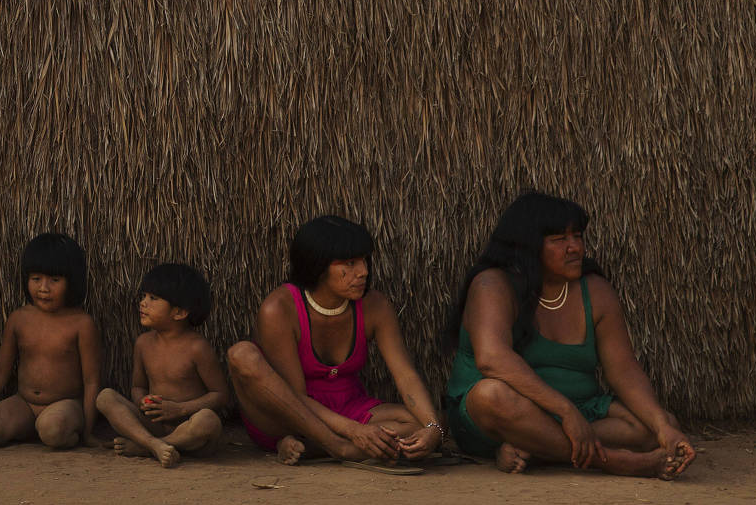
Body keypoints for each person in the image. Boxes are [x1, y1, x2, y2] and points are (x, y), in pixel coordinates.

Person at [442, 191, 696, 478]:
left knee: (651, 427)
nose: (574, 247)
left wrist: (663, 427)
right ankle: (614, 462)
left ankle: (537, 449)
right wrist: (565, 411)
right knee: (491, 395)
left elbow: (623, 370)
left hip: (581, 409)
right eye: (559, 240)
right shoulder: (493, 285)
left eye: (577, 236)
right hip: (500, 415)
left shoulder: (597, 292)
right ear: (528, 245)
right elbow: (492, 360)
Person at [227, 215, 444, 467]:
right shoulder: (280, 309)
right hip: (289, 414)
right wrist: (352, 432)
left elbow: (405, 375)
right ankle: (338, 448)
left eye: (364, 260)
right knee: (241, 354)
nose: (363, 271)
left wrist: (433, 429)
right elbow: (295, 398)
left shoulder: (375, 305)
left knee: (419, 422)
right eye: (350, 263)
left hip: (348, 406)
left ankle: (313, 450)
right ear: (317, 266)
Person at [0, 233, 101, 450]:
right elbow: (0, 371)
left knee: (53, 429)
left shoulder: (81, 324)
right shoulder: (19, 319)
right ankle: (30, 426)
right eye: (36, 279)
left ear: (72, 281)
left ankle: (61, 431)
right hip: (25, 402)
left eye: (54, 280)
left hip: (66, 403)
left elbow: (91, 381)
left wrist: (88, 432)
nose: (43, 288)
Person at [96, 262, 228, 466]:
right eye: (144, 296)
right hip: (153, 425)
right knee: (105, 397)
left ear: (179, 313)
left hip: (190, 430)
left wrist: (180, 409)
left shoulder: (197, 348)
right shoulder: (143, 343)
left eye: (153, 299)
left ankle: (146, 447)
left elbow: (220, 395)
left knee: (208, 420)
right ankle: (154, 444)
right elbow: (138, 386)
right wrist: (142, 401)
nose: (143, 303)